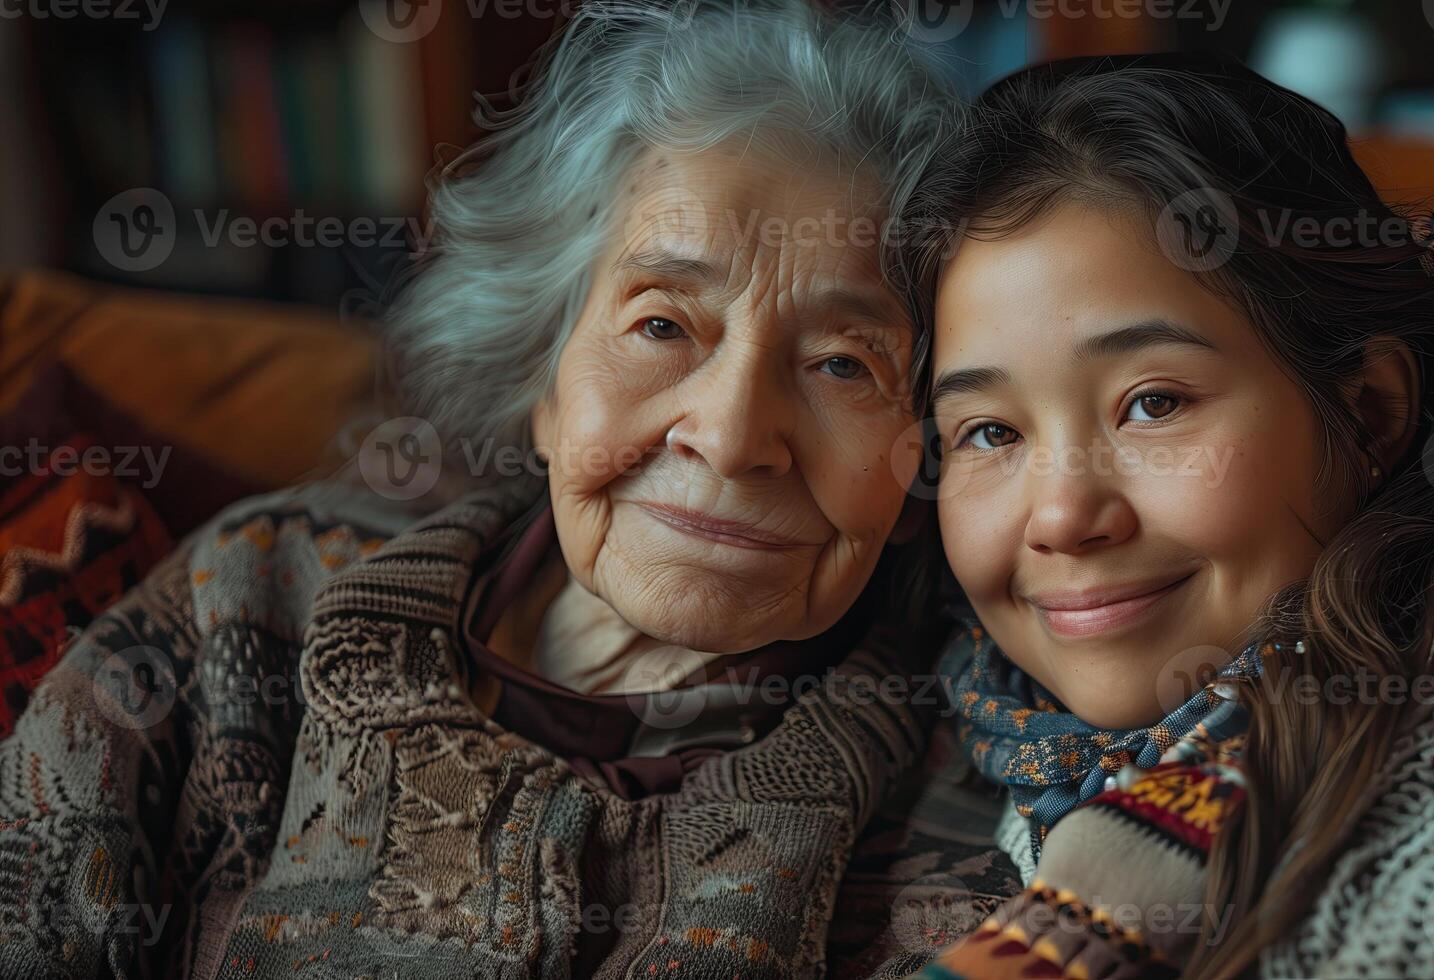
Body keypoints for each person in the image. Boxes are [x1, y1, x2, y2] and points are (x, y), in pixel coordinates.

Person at [0, 3, 965, 977]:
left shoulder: (958, 796)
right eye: (663, 325)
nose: (729, 436)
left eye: (845, 364)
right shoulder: (246, 602)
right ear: (543, 378)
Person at [894, 53, 1434, 979]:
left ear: (1369, 410)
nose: (1061, 514)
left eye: (1153, 404)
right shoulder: (901, 721)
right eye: (986, 430)